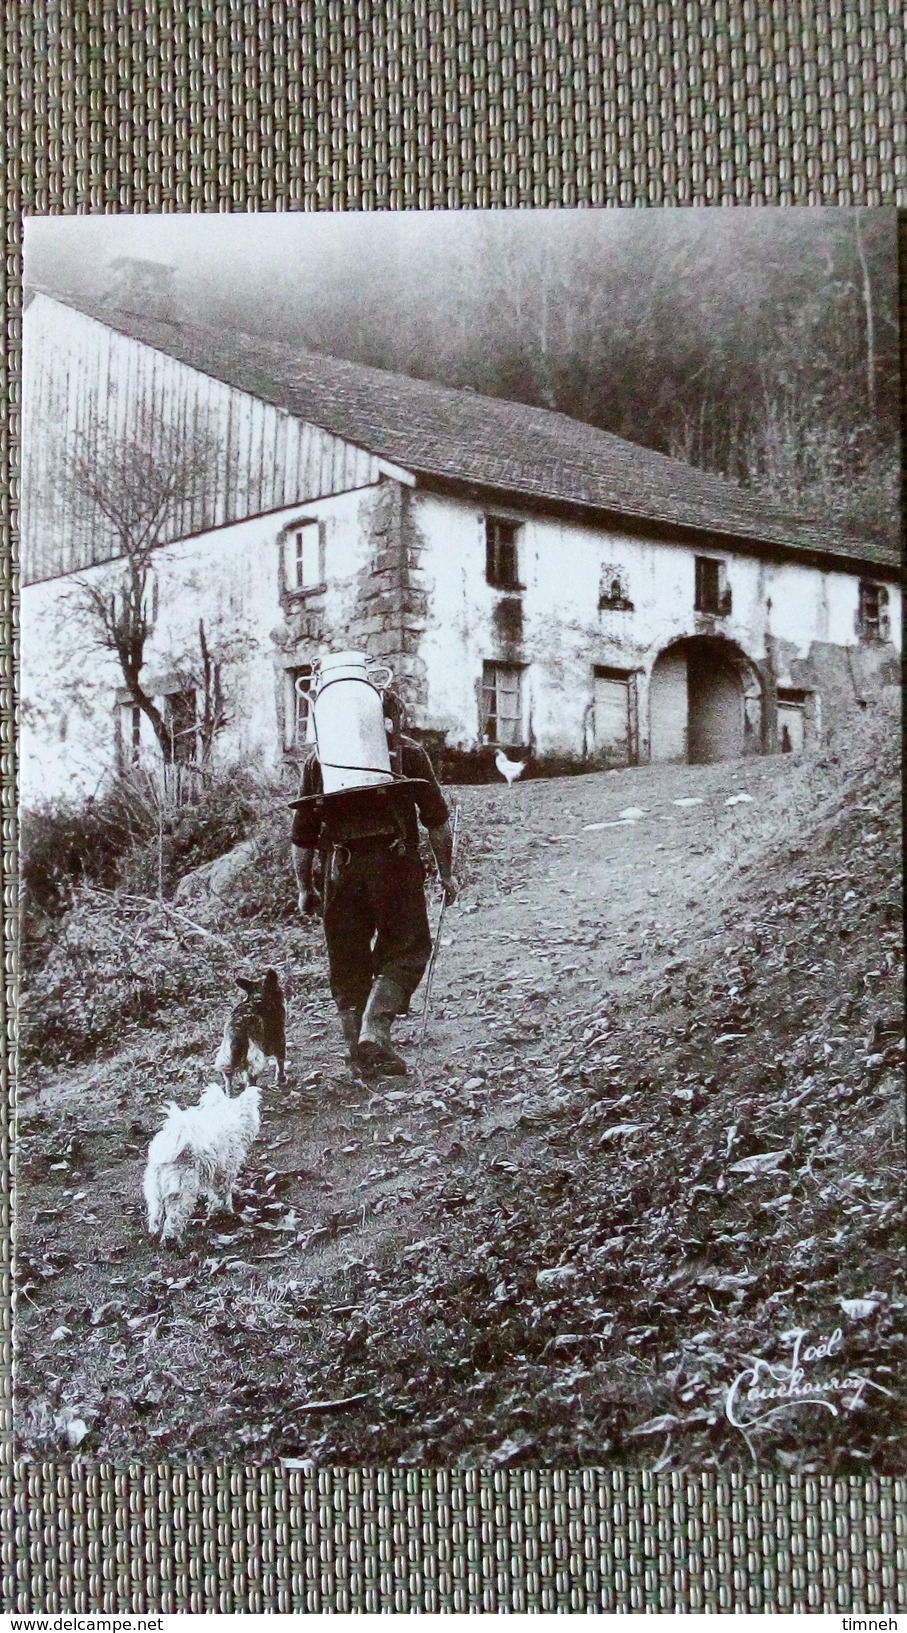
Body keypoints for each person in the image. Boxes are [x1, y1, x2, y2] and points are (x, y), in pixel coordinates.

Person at [291, 693, 458, 1077]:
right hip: (395, 866)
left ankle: (359, 1059)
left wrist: (306, 888)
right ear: (390, 717)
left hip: (340, 870)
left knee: (347, 959)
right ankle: (375, 1031)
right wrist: (446, 872)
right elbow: (437, 821)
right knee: (408, 948)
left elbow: (302, 837)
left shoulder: (321, 760)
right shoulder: (408, 752)